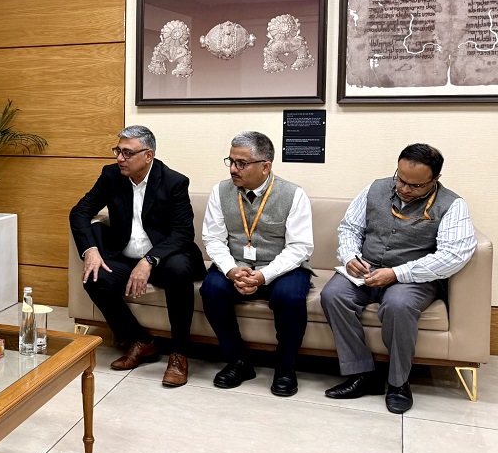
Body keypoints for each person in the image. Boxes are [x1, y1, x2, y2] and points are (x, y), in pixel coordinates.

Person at [322, 144, 476, 414]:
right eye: (400, 180)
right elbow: (349, 228)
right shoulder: (375, 189)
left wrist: (397, 273)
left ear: (435, 179)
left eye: (415, 186)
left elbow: (453, 256)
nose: (404, 189)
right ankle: (363, 375)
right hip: (367, 268)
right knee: (333, 295)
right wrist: (349, 257)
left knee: (398, 306)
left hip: (412, 278)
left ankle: (398, 383)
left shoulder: (452, 205)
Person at [69, 125, 206, 386]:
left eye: (127, 153)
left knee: (179, 271)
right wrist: (91, 251)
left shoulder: (174, 182)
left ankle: (178, 354)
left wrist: (149, 260)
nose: (120, 158)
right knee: (95, 277)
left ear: (148, 155)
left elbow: (182, 233)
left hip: (165, 258)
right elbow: (80, 211)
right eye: (118, 151)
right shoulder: (111, 175)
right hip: (125, 256)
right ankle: (141, 341)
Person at [200, 131, 314, 397]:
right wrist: (231, 269)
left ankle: (285, 368)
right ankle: (238, 361)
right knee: (211, 289)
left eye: (241, 163)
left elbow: (299, 247)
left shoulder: (293, 194)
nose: (233, 169)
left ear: (265, 166)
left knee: (290, 297)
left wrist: (264, 275)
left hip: (281, 267)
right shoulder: (220, 191)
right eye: (231, 161)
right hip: (236, 264)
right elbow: (213, 238)